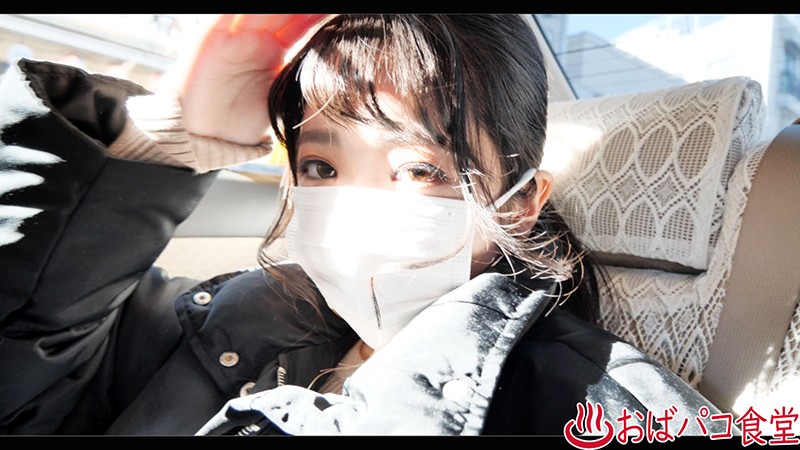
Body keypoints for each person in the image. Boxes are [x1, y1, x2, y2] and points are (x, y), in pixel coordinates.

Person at [0, 14, 731, 436]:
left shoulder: (598, 407)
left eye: (419, 170)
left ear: (517, 202)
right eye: (321, 167)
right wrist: (169, 135)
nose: (353, 209)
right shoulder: (227, 316)